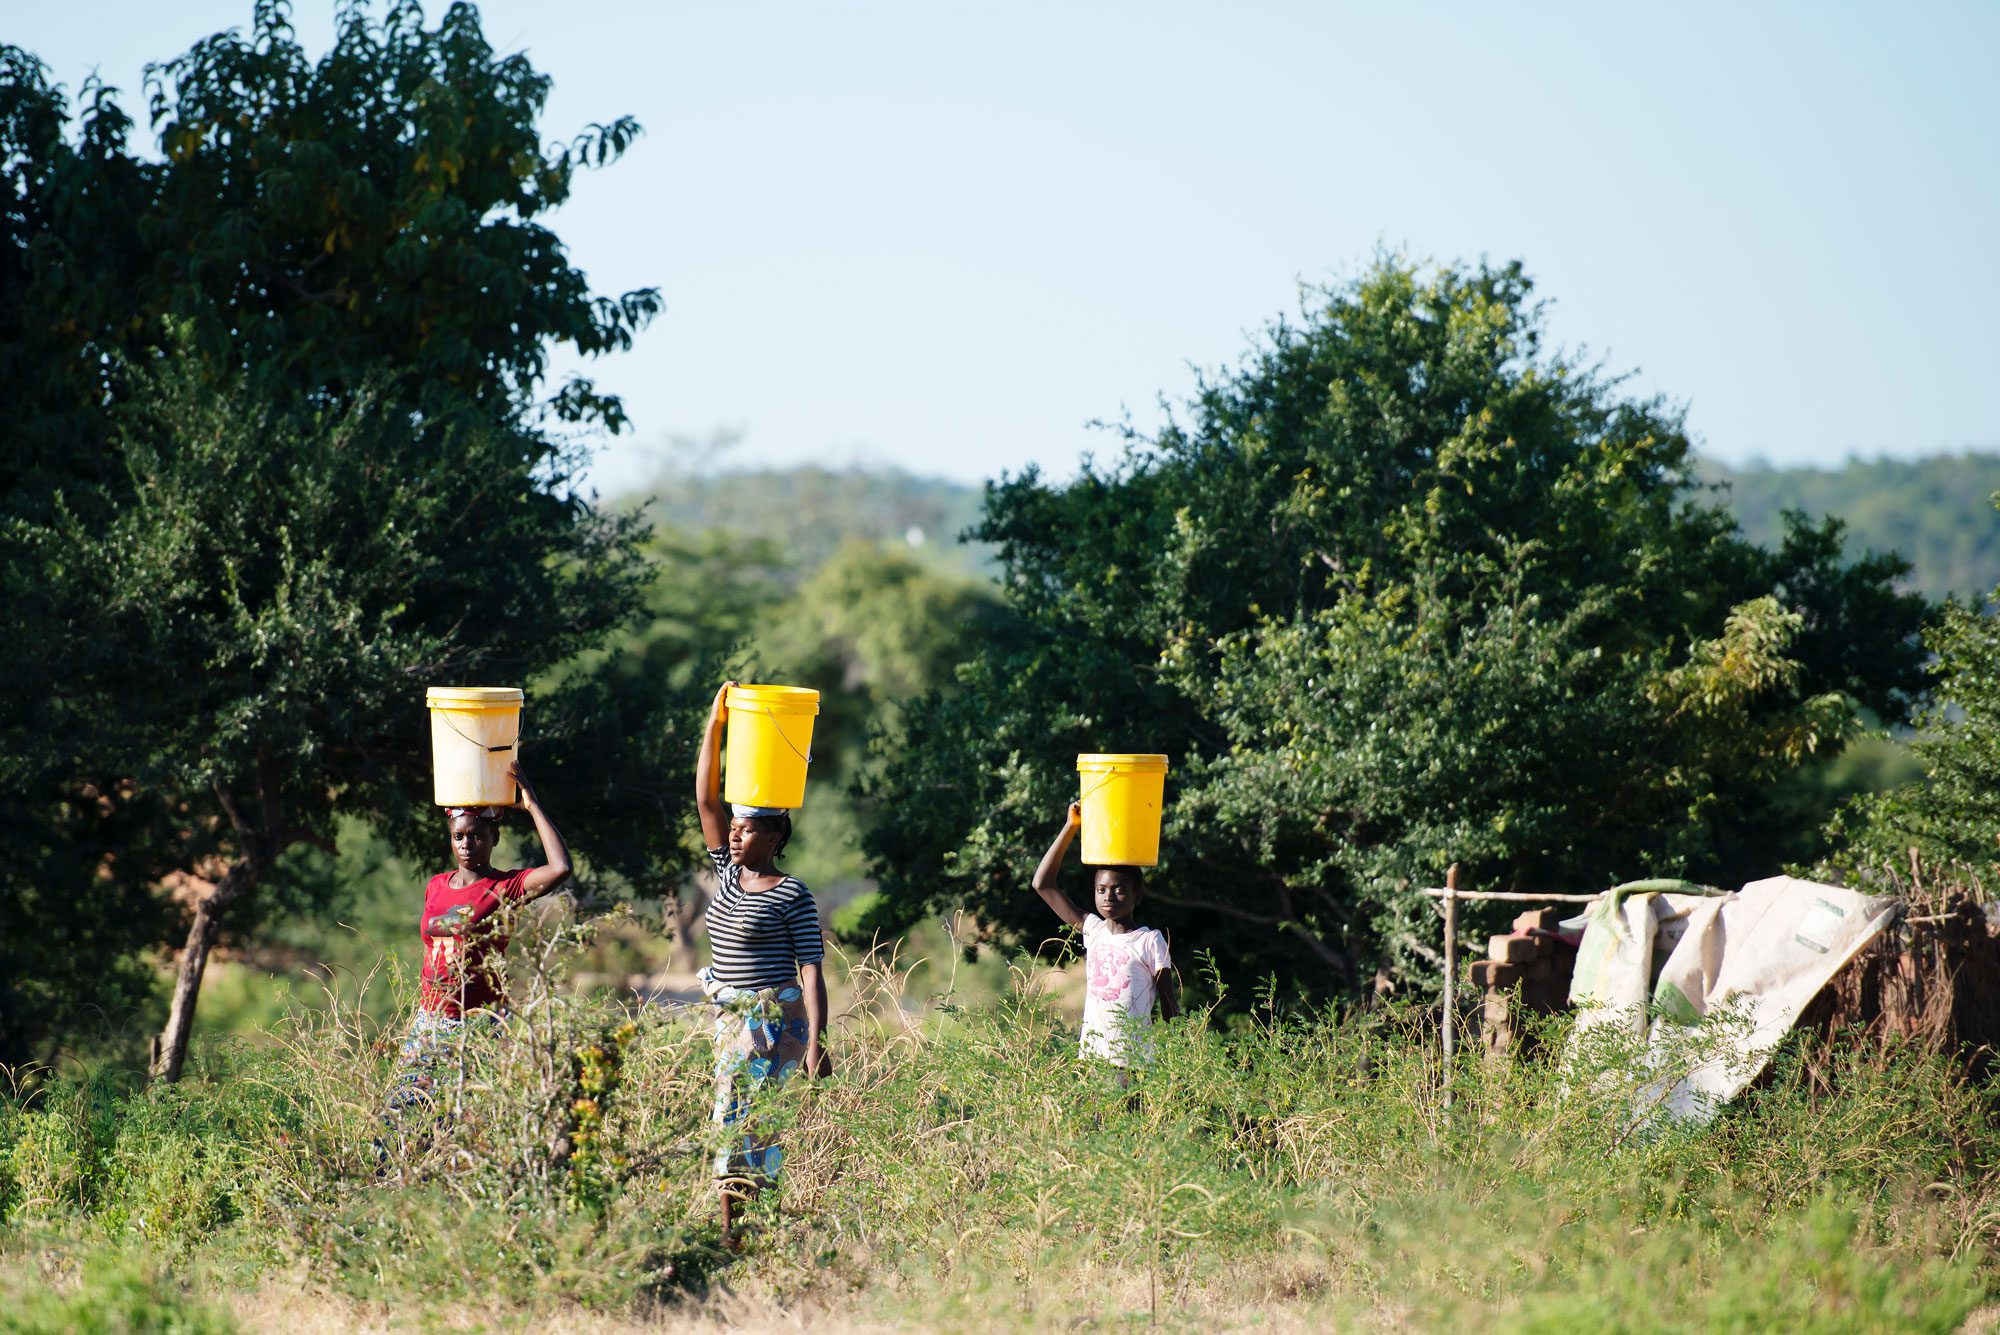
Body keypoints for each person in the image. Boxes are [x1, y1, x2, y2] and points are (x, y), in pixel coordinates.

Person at [693, 680, 829, 1242]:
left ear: (774, 834)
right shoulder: (728, 871)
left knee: (743, 1121)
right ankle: (748, 1227)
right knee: (742, 1119)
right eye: (734, 826)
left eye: (747, 828)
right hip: (730, 1015)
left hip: (774, 1021)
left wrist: (819, 1042)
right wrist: (717, 722)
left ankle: (735, 1232)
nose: (734, 833)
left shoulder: (791, 893)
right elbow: (704, 798)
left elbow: (813, 971)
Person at [386, 759, 573, 1121]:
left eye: (476, 835)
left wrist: (532, 804)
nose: (467, 844)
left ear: (493, 838)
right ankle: (394, 1176)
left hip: (477, 1023)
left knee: (455, 1116)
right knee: (400, 1111)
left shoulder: (506, 887)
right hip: (430, 1019)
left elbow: (561, 867)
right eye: (459, 836)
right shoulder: (436, 886)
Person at [1031, 801, 1180, 1078]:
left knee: (1128, 1119)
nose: (1108, 896)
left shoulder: (1148, 941)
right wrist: (1070, 827)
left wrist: (1176, 1059)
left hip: (1133, 1062)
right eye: (1101, 889)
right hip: (1094, 1059)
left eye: (1119, 889)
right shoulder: (1094, 931)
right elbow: (1043, 885)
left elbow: (1169, 1003)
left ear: (1137, 897)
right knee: (1097, 1122)